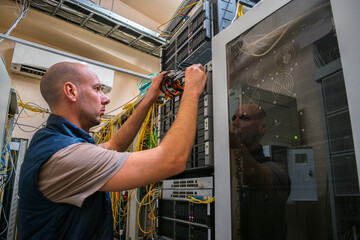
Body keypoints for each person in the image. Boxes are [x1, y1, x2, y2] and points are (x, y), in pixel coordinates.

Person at [17, 62, 207, 239]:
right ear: (71, 91)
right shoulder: (65, 157)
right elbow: (172, 159)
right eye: (97, 89)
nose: (106, 99)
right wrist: (192, 90)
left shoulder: (54, 141)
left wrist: (149, 98)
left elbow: (115, 145)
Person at [230, 103, 291, 240]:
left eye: (244, 118)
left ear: (261, 127)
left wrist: (237, 145)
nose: (235, 122)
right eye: (233, 117)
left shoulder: (276, 169)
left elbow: (261, 178)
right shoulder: (227, 170)